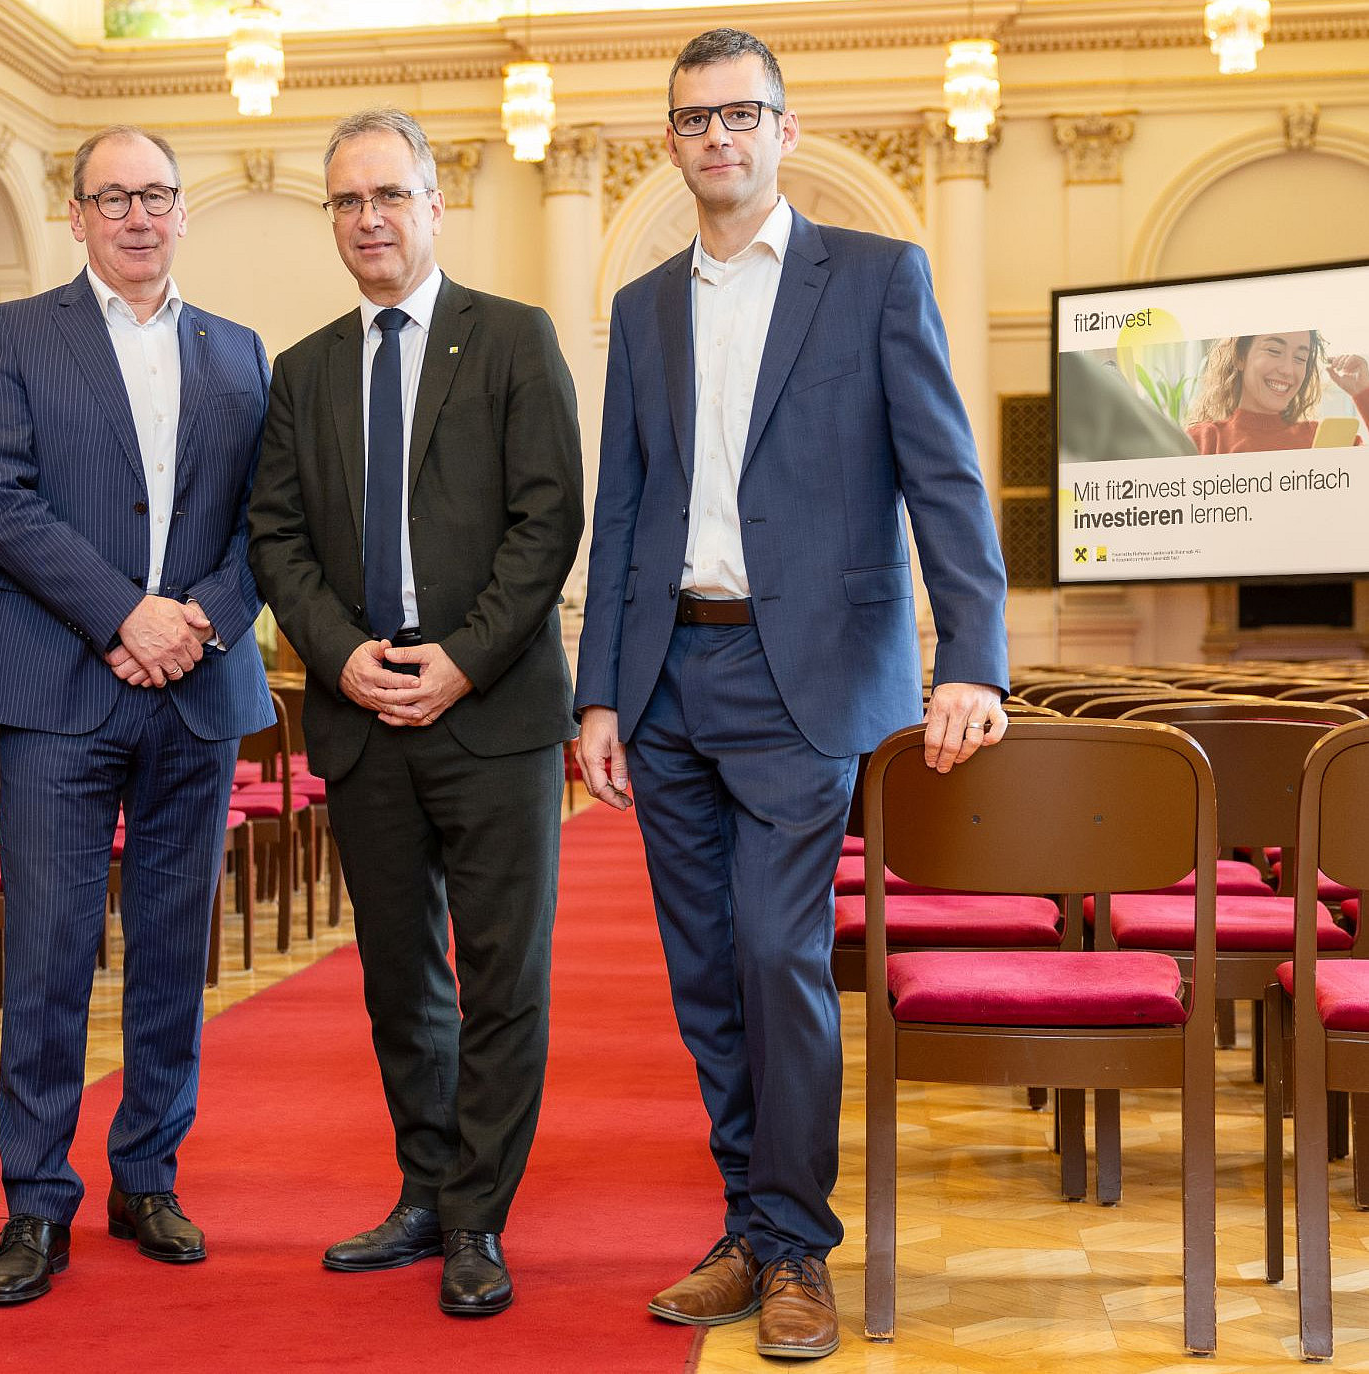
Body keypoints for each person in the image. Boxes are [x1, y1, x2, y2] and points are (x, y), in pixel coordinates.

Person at [573, 28, 1010, 1360]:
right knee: (706, 974)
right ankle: (748, 1228)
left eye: (742, 114)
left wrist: (975, 654)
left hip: (807, 675)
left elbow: (943, 474)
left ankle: (800, 1246)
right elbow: (628, 500)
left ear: (785, 129)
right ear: (670, 141)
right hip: (665, 676)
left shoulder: (875, 276)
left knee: (778, 955)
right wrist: (599, 694)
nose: (719, 137)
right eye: (695, 118)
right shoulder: (645, 305)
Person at [248, 107, 583, 1319]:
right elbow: (273, 537)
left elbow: (548, 522)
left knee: (502, 976)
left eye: (388, 195)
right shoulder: (303, 371)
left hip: (486, 712)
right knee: (401, 977)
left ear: (436, 206)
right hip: (360, 712)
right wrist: (339, 661)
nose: (369, 219)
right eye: (345, 201)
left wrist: (461, 660)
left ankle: (477, 1220)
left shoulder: (510, 339)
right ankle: (422, 1188)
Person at [0, 125, 274, 1307]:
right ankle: (36, 1201)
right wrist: (122, 615)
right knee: (45, 953)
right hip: (57, 685)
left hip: (196, 691)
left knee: (169, 953)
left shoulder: (240, 352)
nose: (136, 216)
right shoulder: (17, 334)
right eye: (112, 197)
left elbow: (269, 521)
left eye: (156, 196)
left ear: (182, 213)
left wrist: (195, 616)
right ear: (76, 214)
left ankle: (148, 1173)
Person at [1183, 330, 1369, 453]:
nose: (1288, 370)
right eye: (1274, 350)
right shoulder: (1202, 441)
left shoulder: (1328, 442)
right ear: (1240, 357)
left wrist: (1364, 392)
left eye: (1300, 358)